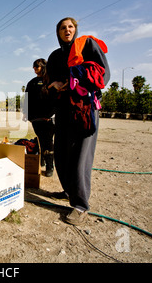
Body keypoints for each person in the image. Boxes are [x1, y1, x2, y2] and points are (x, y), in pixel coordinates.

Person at [44, 17, 110, 225]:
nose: (67, 30)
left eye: (70, 27)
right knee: (61, 154)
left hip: (84, 108)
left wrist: (79, 83)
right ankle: (68, 190)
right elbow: (49, 82)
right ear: (58, 32)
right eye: (63, 27)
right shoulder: (54, 56)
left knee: (81, 156)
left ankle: (80, 206)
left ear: (76, 29)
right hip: (64, 109)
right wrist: (54, 85)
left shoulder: (87, 45)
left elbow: (104, 75)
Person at [23, 58, 57, 176]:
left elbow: (55, 99)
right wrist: (25, 113)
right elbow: (26, 99)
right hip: (35, 119)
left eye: (37, 66)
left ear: (43, 66)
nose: (35, 69)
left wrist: (50, 114)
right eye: (34, 67)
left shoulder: (51, 80)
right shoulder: (31, 82)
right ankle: (40, 161)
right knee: (41, 140)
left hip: (48, 118)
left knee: (48, 142)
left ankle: (49, 167)